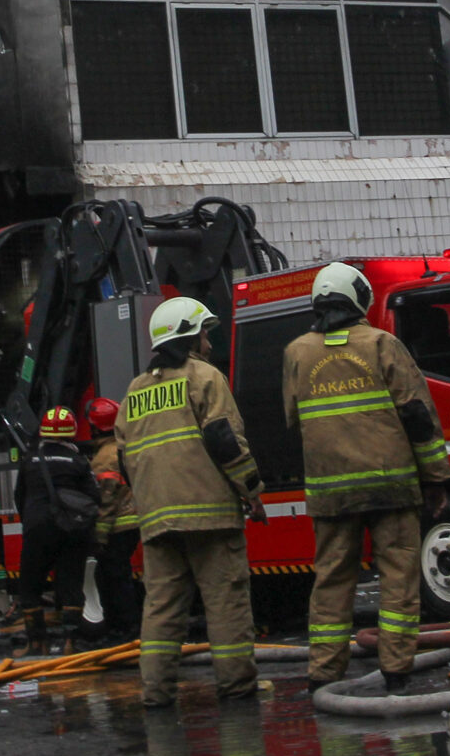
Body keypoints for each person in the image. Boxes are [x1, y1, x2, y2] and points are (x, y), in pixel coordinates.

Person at [282, 262, 450, 693]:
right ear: (359, 299)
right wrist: (435, 478)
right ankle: (396, 669)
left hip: (331, 491)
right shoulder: (381, 344)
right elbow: (417, 415)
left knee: (332, 580)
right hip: (391, 486)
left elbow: (292, 419)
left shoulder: (296, 353)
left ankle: (323, 672)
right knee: (398, 576)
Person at [116, 297, 266, 708]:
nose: (209, 344)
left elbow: (124, 458)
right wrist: (251, 492)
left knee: (161, 611)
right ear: (188, 337)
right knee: (226, 603)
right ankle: (237, 689)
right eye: (204, 335)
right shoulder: (204, 377)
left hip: (157, 521)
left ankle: (156, 694)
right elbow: (224, 441)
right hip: (210, 517)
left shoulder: (135, 390)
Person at [15, 405, 101, 656]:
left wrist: (30, 521)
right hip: (72, 531)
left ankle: (36, 644)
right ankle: (70, 643)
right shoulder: (78, 461)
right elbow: (94, 497)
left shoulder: (30, 460)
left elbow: (19, 495)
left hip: (38, 529)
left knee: (30, 585)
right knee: (71, 585)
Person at [87, 396, 141, 644]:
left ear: (96, 427)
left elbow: (106, 502)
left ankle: (124, 629)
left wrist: (98, 538)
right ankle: (126, 627)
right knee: (119, 576)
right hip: (130, 522)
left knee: (113, 578)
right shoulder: (121, 447)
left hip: (118, 527)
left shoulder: (104, 458)